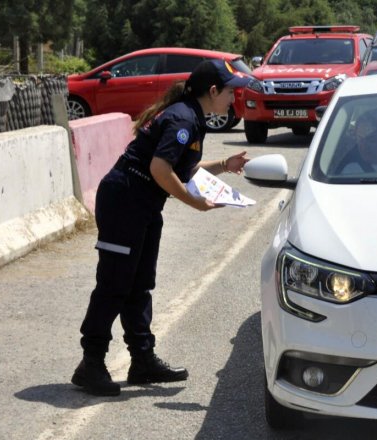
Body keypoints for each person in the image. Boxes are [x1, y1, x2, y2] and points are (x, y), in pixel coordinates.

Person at [71, 60, 252, 396]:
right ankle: (90, 363)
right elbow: (160, 168)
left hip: (142, 203)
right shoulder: (183, 118)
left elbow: (184, 168)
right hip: (126, 200)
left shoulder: (191, 117)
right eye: (229, 91)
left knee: (140, 284)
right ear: (212, 91)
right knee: (114, 285)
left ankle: (142, 361)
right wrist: (194, 202)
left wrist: (226, 165)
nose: (233, 98)